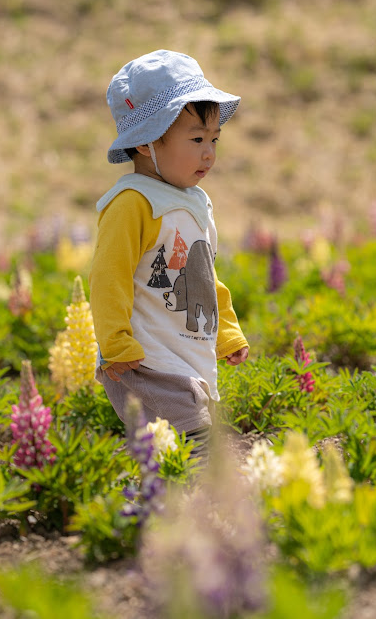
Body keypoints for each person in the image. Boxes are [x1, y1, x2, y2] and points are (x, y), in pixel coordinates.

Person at [89, 50, 249, 460]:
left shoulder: (196, 202)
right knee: (200, 445)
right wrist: (115, 342)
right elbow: (109, 277)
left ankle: (150, 506)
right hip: (145, 360)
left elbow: (206, 275)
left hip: (185, 355)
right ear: (145, 141)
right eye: (196, 139)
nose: (209, 153)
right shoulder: (132, 202)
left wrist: (226, 331)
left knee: (170, 452)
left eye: (214, 139)